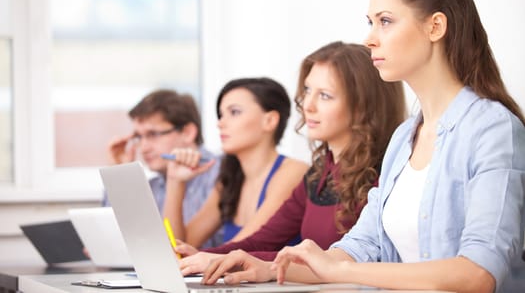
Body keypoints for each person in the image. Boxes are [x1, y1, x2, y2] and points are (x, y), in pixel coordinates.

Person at [199, 0, 525, 293]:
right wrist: (268, 269)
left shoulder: (493, 129)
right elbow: (359, 249)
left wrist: (336, 271)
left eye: (385, 21)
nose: (370, 38)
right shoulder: (404, 139)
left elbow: (478, 274)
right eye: (370, 22)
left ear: (435, 27)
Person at [174, 41, 406, 275]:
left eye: (325, 96)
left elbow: (337, 260)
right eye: (307, 91)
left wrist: (227, 260)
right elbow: (264, 239)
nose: (308, 105)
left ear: (363, 106)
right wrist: (211, 256)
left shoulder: (384, 174)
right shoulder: (320, 172)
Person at [163, 77, 309, 249]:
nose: (220, 123)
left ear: (269, 121)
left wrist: (199, 258)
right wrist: (175, 181)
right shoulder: (230, 180)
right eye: (221, 115)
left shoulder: (293, 171)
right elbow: (175, 248)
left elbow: (246, 247)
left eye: (234, 112)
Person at [102, 89, 222, 248]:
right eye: (139, 137)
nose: (144, 148)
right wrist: (120, 175)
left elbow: (177, 249)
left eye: (153, 134)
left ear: (187, 132)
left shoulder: (221, 172)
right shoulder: (152, 187)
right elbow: (118, 242)